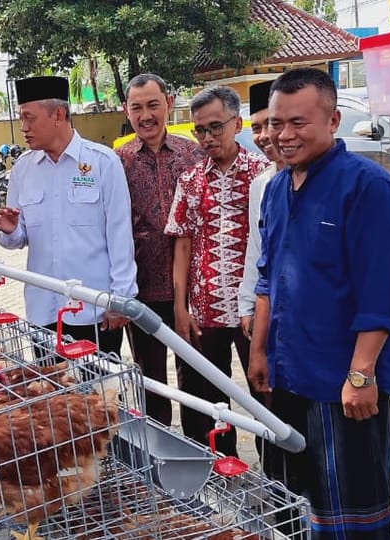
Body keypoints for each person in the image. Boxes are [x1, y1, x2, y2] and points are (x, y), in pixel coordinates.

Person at [248, 67, 390, 539]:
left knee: (352, 509)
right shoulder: (276, 189)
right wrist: (259, 352)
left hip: (341, 383)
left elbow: (382, 293)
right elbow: (267, 279)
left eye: (298, 122)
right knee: (295, 498)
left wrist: (361, 376)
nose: (283, 135)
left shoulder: (368, 187)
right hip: (286, 374)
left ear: (333, 119)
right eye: (276, 123)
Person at [0, 76, 137, 355]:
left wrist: (120, 299)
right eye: (21, 118)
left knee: (100, 395)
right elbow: (16, 240)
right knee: (50, 395)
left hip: (94, 310)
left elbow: (120, 237)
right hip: (43, 310)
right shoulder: (23, 169)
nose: (24, 128)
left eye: (29, 118)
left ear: (58, 115)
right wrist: (10, 229)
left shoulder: (103, 163)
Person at [163, 86, 271, 457]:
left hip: (254, 310)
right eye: (199, 130)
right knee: (207, 395)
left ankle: (278, 472)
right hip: (205, 309)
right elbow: (182, 243)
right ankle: (220, 464)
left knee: (265, 391)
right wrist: (180, 306)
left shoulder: (263, 175)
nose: (207, 138)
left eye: (215, 127)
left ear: (237, 123)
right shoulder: (190, 180)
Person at [115, 73, 206, 427]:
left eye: (153, 105)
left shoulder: (194, 154)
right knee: (150, 380)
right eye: (136, 108)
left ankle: (208, 453)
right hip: (142, 290)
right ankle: (161, 457)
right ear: (126, 110)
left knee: (199, 375)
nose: (145, 115)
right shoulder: (117, 162)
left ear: (168, 103)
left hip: (194, 291)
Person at [238, 80, 286, 340]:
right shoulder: (261, 183)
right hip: (270, 306)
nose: (264, 136)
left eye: (271, 124)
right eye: (256, 128)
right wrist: (247, 305)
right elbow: (256, 249)